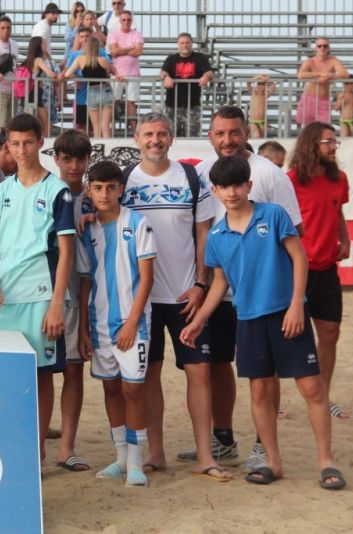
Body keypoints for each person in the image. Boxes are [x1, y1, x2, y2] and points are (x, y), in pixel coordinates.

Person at [180, 155, 346, 490]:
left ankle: (327, 462)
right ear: (214, 190)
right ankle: (273, 461)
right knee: (259, 390)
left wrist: (297, 305)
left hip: (286, 315)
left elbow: (299, 257)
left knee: (312, 388)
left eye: (237, 184)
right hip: (249, 321)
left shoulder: (273, 215)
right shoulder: (217, 235)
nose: (231, 192)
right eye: (224, 186)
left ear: (249, 185)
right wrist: (199, 319)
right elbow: (221, 282)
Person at [185, 105, 302, 472]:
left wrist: (290, 297)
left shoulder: (270, 174)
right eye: (220, 133)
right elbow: (201, 232)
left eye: (234, 132)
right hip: (220, 288)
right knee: (220, 363)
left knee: (265, 375)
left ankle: (262, 446)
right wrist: (202, 282)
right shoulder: (203, 173)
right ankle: (223, 440)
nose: (227, 140)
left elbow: (294, 234)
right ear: (210, 135)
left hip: (266, 295)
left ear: (246, 131)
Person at [122, 112, 231, 481]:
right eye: (149, 134)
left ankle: (204, 455)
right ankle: (156, 452)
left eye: (162, 134)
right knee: (149, 375)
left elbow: (205, 235)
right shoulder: (125, 182)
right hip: (144, 300)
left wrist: (201, 283)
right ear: (137, 139)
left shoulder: (191, 177)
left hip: (187, 296)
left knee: (199, 373)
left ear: (171, 138)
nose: (155, 140)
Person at [0, 113, 75, 464]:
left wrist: (55, 306)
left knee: (42, 374)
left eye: (28, 142)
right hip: (4, 301)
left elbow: (66, 253)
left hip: (39, 297)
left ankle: (35, 451)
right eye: (15, 144)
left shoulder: (57, 191)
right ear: (7, 146)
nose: (22, 150)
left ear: (40, 142)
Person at [77, 159, 155, 486]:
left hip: (131, 323)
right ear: (89, 191)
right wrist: (82, 328)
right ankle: (120, 458)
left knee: (132, 390)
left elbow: (147, 278)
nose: (105, 193)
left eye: (111, 187)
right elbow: (84, 283)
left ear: (120, 189)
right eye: (98, 188)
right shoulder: (88, 229)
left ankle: (137, 462)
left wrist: (131, 322)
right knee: (110, 389)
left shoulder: (138, 222)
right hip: (99, 324)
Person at [288, 122, 350, 420]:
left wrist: (346, 238)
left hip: (327, 269)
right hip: (295, 270)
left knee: (330, 332)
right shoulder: (290, 181)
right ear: (312, 144)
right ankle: (274, 400)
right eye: (328, 141)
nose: (333, 146)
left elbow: (337, 210)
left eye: (334, 141)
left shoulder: (339, 179)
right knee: (285, 334)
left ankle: (323, 396)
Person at [52, 128, 91, 473]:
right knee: (41, 373)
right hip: (47, 293)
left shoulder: (98, 198)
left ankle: (67, 447)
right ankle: (36, 447)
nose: (74, 165)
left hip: (84, 294)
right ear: (56, 160)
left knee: (75, 371)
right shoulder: (49, 193)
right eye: (68, 159)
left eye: (80, 159)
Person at [64, 37, 122, 138]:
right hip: (105, 90)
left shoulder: (80, 59)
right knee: (105, 127)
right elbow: (108, 73)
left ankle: (96, 150)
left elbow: (67, 74)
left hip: (91, 91)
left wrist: (79, 77)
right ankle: (107, 150)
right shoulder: (103, 60)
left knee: (96, 127)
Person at [160, 33, 213, 137]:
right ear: (178, 45)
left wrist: (206, 77)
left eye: (187, 43)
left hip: (192, 105)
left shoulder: (200, 58)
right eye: (182, 43)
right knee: (171, 135)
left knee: (192, 135)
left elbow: (210, 72)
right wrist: (166, 77)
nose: (185, 45)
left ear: (191, 44)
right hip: (172, 105)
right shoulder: (171, 59)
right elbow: (162, 72)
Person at [296, 37, 347, 129]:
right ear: (316, 48)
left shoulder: (333, 60)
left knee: (323, 130)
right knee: (309, 131)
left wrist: (330, 76)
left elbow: (344, 74)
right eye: (319, 46)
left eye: (325, 46)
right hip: (309, 100)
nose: (322, 48)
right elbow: (301, 75)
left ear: (329, 48)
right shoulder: (310, 61)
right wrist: (320, 74)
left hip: (324, 100)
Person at [108, 10, 142, 133]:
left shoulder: (137, 34)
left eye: (128, 19)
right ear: (120, 21)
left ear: (131, 21)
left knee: (132, 102)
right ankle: (110, 130)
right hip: (117, 73)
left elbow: (138, 51)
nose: (126, 22)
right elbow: (113, 51)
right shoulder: (114, 34)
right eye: (124, 20)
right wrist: (131, 48)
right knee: (113, 101)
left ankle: (135, 131)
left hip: (133, 73)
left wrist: (120, 51)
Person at [20, 36, 58, 137]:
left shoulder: (28, 61)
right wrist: (59, 76)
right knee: (47, 126)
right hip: (36, 96)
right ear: (38, 46)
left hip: (29, 95)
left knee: (32, 126)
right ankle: (41, 146)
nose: (46, 46)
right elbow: (51, 74)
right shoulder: (38, 60)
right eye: (43, 44)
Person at [247, 75, 276, 139]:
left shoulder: (265, 95)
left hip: (262, 121)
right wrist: (256, 77)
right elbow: (248, 83)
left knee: (261, 139)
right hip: (253, 121)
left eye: (263, 84)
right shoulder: (253, 93)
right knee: (257, 136)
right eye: (259, 84)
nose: (260, 86)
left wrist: (267, 79)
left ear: (266, 86)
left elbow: (274, 87)